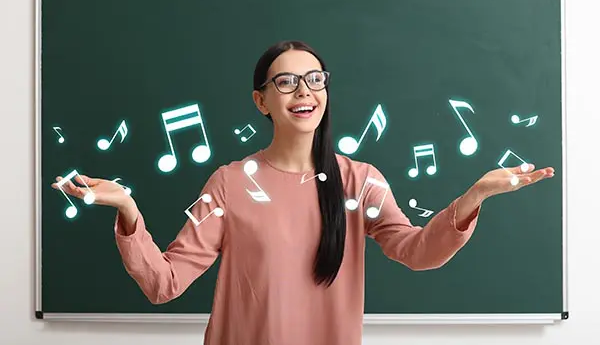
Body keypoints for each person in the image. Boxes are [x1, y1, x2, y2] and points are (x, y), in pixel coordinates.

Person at [52, 40, 554, 345]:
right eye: (287, 82)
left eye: (315, 80)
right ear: (261, 100)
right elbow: (165, 283)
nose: (304, 92)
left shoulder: (361, 180)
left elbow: (417, 251)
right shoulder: (229, 183)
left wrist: (472, 199)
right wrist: (127, 209)